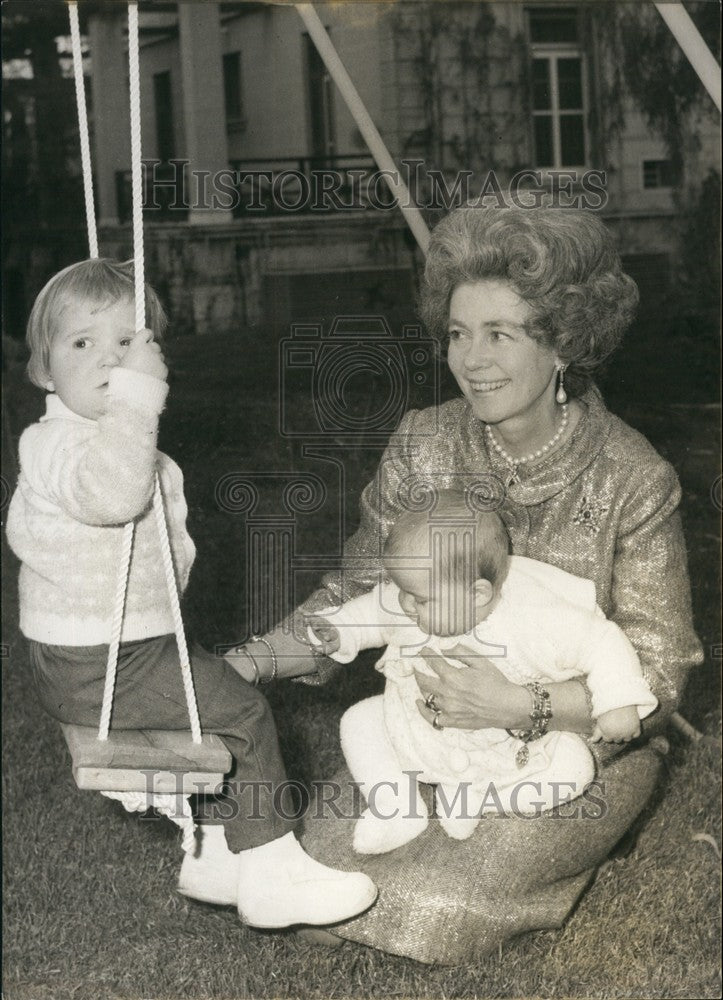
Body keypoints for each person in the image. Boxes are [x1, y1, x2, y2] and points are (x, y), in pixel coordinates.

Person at [225, 206, 703, 964]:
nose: (470, 359)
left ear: (564, 347)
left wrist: (523, 706)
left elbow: (659, 672)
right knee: (318, 864)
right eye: (457, 333)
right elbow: (353, 590)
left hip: (575, 746)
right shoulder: (424, 442)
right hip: (424, 733)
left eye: (500, 334)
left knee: (448, 901)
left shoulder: (632, 478)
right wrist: (235, 670)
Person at [5, 258, 377, 931]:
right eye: (81, 343)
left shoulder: (100, 437)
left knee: (200, 701)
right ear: (41, 370)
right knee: (241, 713)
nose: (108, 359)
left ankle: (212, 858)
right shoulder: (56, 445)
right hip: (98, 662)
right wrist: (137, 397)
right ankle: (271, 870)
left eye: (127, 343)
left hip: (113, 650)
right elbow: (114, 495)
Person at [305, 492, 658, 853]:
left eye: (419, 599)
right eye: (402, 589)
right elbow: (372, 611)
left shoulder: (535, 617)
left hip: (505, 750)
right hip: (416, 730)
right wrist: (342, 628)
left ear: (477, 594)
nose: (404, 603)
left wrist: (617, 701)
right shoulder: (417, 594)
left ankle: (481, 798)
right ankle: (396, 809)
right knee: (360, 722)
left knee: (574, 767)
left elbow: (601, 640)